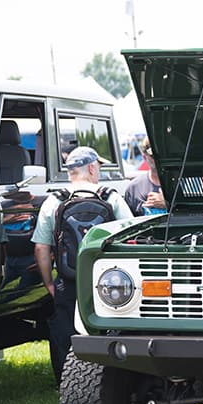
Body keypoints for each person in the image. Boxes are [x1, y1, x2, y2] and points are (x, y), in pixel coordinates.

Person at [32, 146, 133, 383]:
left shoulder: (54, 201)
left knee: (64, 329)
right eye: (98, 166)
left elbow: (41, 247)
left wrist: (49, 282)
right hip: (107, 283)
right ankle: (112, 380)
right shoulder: (111, 197)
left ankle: (66, 382)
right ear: (91, 168)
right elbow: (130, 237)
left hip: (68, 280)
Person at [124, 137, 168, 216]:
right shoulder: (133, 189)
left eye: (161, 155)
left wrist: (168, 203)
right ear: (144, 157)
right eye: (153, 156)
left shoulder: (184, 183)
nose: (158, 159)